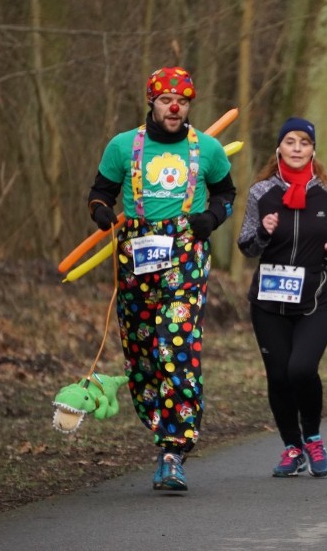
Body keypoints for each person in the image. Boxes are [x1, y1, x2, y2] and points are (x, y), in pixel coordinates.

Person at [87, 66, 236, 491]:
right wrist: (100, 211)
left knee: (176, 343)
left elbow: (227, 194)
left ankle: (175, 448)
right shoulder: (122, 146)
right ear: (151, 101)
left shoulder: (207, 149)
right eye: (167, 100)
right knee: (142, 355)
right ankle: (161, 427)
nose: (175, 108)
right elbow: (101, 191)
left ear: (190, 105)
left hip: (186, 253)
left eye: (183, 101)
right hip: (134, 254)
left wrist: (212, 217)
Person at [236, 117, 327, 478]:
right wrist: (263, 231)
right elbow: (246, 245)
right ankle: (292, 447)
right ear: (279, 148)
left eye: (305, 142)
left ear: (313, 149)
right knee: (279, 375)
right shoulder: (261, 193)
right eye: (291, 141)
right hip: (269, 299)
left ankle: (314, 439)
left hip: (317, 295)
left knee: (301, 369)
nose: (298, 148)